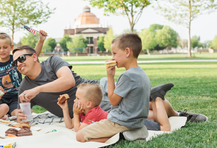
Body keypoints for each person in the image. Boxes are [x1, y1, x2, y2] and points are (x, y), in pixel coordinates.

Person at [13, 44, 207, 126]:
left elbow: (68, 81)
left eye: (21, 58)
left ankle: (179, 114)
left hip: (95, 90)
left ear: (35, 56)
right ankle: (163, 105)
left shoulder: (53, 62)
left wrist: (38, 89)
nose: (19, 63)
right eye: (15, 62)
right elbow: (17, 110)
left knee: (138, 103)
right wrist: (18, 113)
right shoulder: (24, 88)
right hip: (89, 109)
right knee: (139, 110)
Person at [0, 31, 47, 117]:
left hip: (15, 97)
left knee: (16, 113)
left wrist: (41, 41)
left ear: (11, 47)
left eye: (5, 47)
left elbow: (33, 55)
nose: (2, 50)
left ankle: (16, 114)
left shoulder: (15, 59)